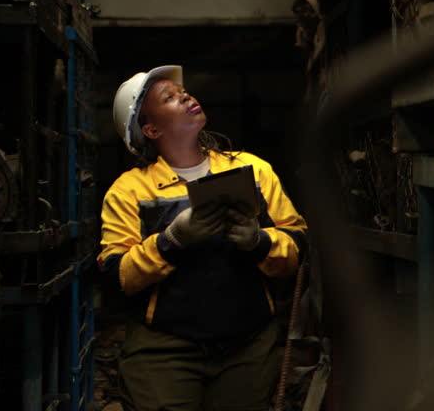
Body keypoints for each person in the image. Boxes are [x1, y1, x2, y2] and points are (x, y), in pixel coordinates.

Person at [98, 65, 308, 411]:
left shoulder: (252, 170)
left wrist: (260, 243)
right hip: (163, 350)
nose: (185, 95)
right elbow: (116, 275)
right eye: (169, 97)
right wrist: (171, 241)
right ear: (150, 129)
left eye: (183, 92)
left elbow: (298, 244)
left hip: (249, 345)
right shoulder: (130, 190)